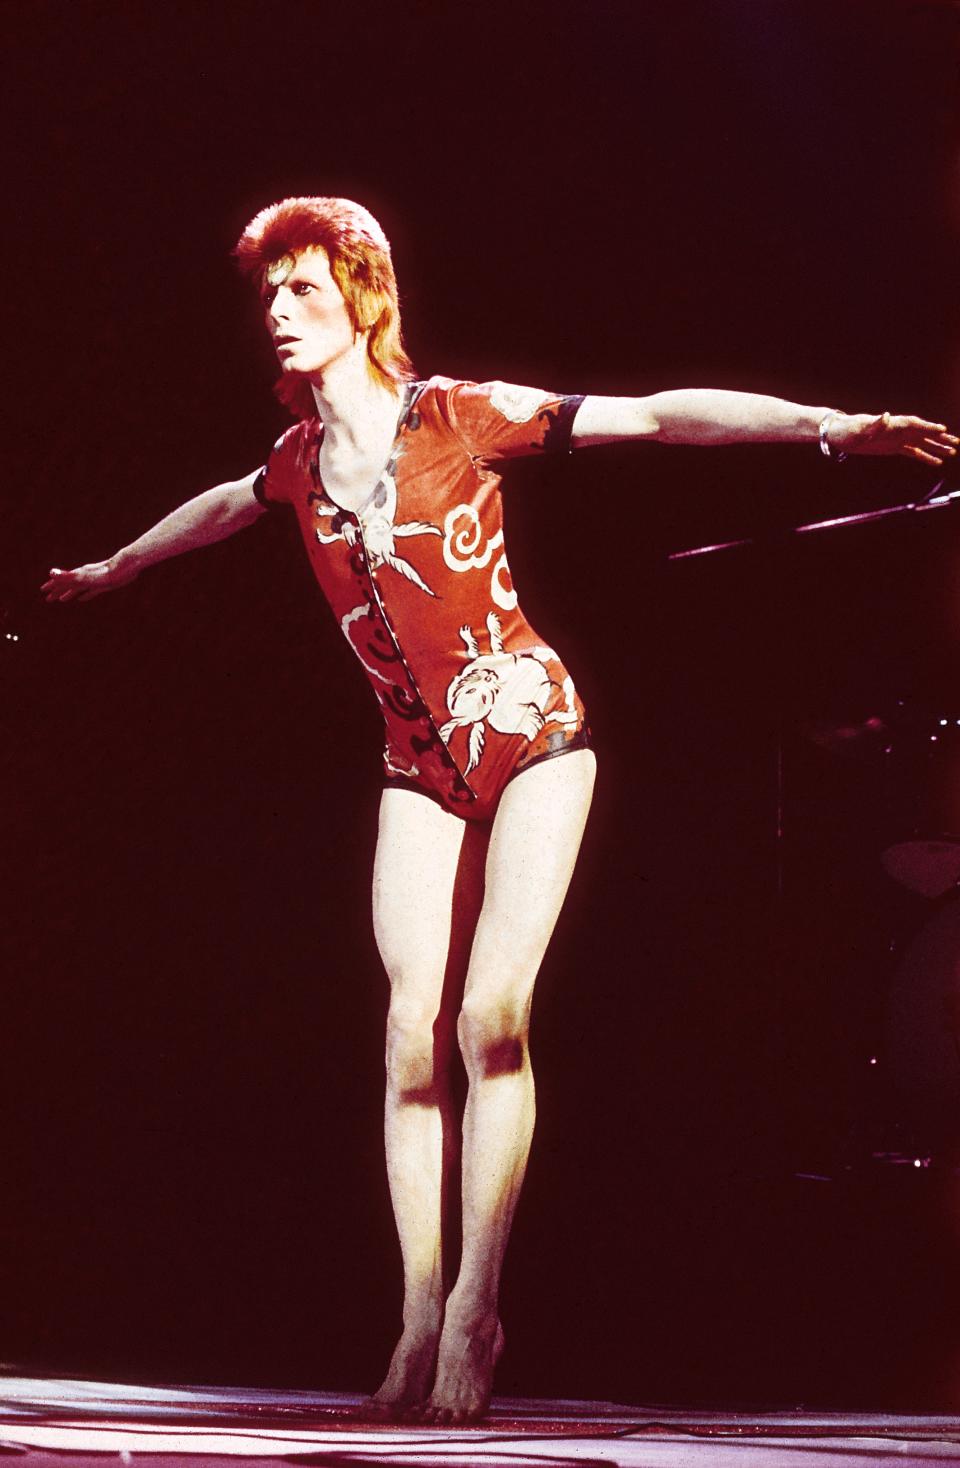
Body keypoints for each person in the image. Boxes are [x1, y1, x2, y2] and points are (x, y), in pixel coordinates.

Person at [42, 196, 957, 1423]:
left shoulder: (457, 417)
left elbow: (658, 420)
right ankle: (419, 1311)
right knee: (406, 1031)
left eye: (303, 289)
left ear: (363, 296)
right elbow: (222, 504)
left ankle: (479, 1302)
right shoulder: (298, 465)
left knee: (492, 1015)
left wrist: (831, 428)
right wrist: (121, 566)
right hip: (416, 763)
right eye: (267, 295)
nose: (277, 311)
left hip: (534, 736)